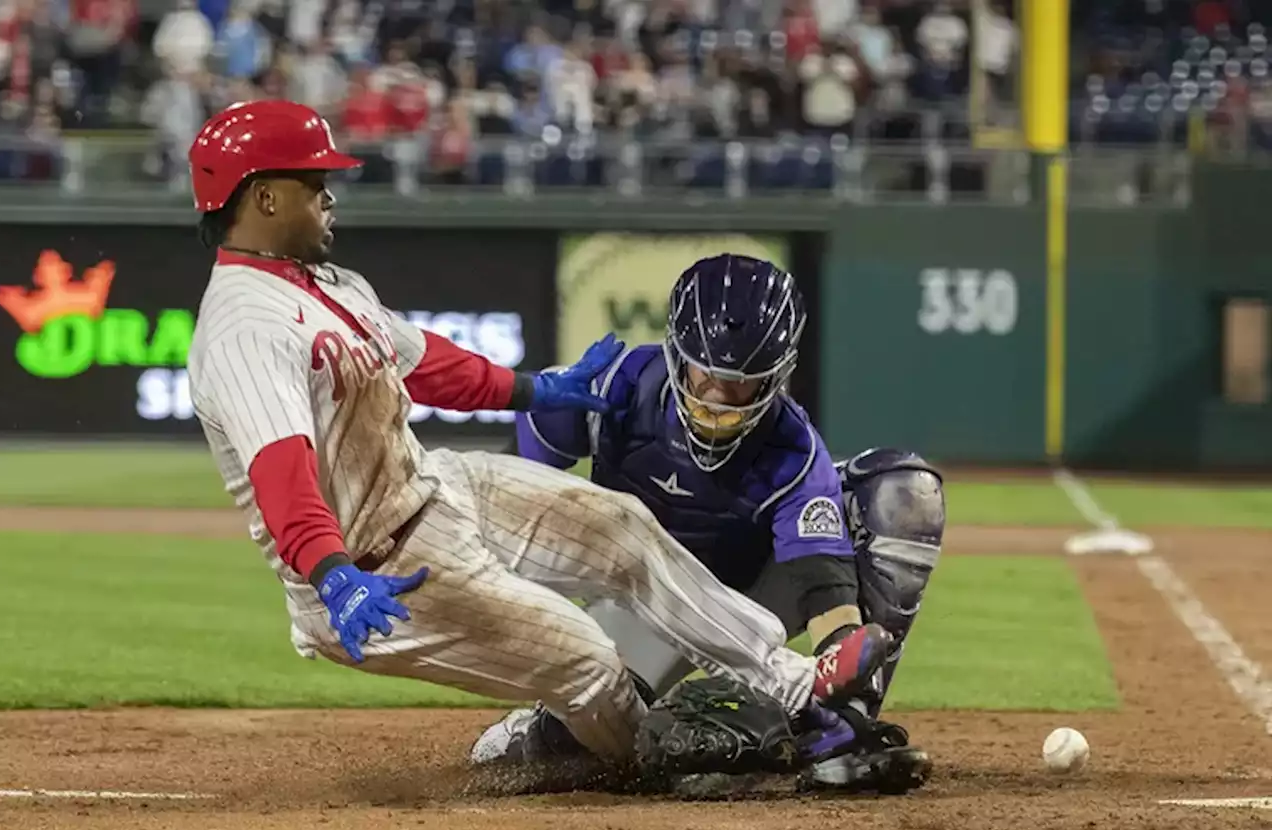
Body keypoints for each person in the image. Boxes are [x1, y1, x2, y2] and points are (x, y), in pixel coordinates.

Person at [184, 101, 891, 774]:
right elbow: (283, 473)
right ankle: (641, 764)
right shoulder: (246, 325)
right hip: (378, 570)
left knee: (624, 528)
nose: (329, 194)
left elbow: (424, 363)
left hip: (436, 490)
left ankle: (799, 688)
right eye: (314, 183)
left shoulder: (325, 284)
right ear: (265, 199)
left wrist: (531, 389)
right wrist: (335, 578)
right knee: (588, 663)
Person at [472, 254, 942, 794]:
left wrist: (844, 661)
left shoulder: (795, 452)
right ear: (676, 352)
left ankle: (839, 728)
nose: (719, 394)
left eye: (742, 382)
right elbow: (505, 490)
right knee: (582, 755)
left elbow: (821, 586)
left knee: (906, 492)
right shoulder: (609, 389)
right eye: (708, 371)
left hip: (749, 597)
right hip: (644, 601)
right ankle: (542, 727)